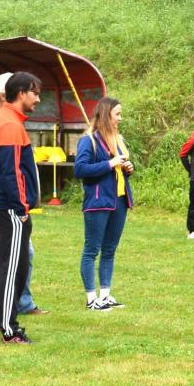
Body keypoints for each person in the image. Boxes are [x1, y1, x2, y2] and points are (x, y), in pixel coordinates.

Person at [0, 72, 45, 317]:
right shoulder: (8, 124)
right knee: (10, 266)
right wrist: (21, 208)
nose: (38, 99)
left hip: (1, 203)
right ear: (19, 93)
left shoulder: (6, 120)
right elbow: (11, 171)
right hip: (6, 206)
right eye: (35, 93)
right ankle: (8, 324)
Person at [75, 97, 134, 311]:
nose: (120, 118)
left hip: (119, 200)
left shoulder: (118, 139)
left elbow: (117, 169)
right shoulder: (88, 140)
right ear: (106, 114)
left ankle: (105, 295)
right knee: (92, 250)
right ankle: (92, 299)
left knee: (110, 249)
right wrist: (109, 163)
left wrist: (127, 168)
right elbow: (80, 169)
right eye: (117, 114)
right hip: (98, 202)